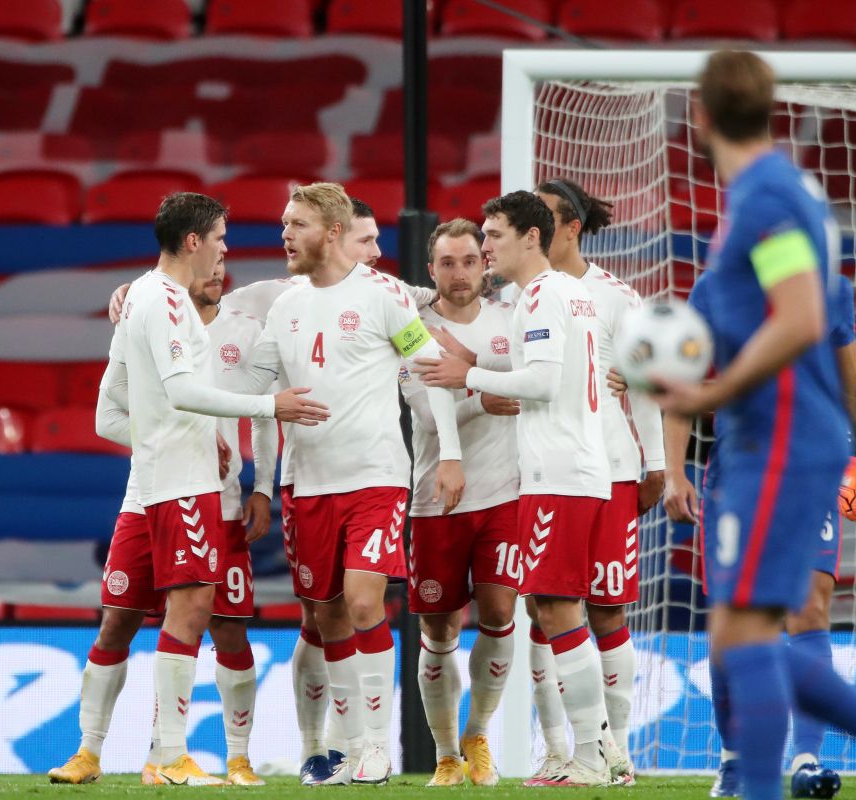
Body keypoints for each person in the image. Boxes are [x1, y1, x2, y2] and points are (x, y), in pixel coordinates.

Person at [648, 51, 856, 800]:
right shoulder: (781, 193)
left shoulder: (766, 197)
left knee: (744, 638)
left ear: (701, 115)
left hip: (780, 439)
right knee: (737, 638)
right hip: (771, 440)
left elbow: (803, 320)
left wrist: (706, 392)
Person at [88, 192, 328, 786]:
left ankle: (196, 755)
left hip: (199, 488)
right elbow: (180, 393)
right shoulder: (163, 302)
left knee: (213, 620)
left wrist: (249, 475)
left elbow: (115, 413)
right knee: (183, 611)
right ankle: (162, 755)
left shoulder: (159, 299)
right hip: (177, 488)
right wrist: (259, 407)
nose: (226, 251)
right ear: (194, 241)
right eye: (220, 238)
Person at [247, 182, 465, 785]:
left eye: (296, 224)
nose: (284, 234)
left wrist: (449, 454)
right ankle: (348, 749)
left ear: (333, 232)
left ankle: (376, 747)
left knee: (367, 602)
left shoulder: (382, 298)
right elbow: (255, 378)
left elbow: (429, 371)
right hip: (307, 483)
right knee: (328, 618)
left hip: (375, 477)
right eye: (284, 223)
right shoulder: (285, 304)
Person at [657, 270, 856, 798]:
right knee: (731, 625)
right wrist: (675, 472)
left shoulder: (826, 285)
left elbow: (853, 385)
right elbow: (683, 380)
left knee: (809, 608)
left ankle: (807, 761)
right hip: (738, 472)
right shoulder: (715, 286)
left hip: (811, 469)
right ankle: (734, 761)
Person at [49, 258, 273, 786]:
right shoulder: (147, 314)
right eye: (210, 257)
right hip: (146, 494)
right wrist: (175, 442)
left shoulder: (246, 327)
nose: (218, 269)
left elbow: (263, 414)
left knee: (228, 630)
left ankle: (234, 757)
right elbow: (110, 416)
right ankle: (89, 753)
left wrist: (263, 486)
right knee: (118, 620)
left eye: (223, 260)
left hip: (219, 501)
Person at [415, 191, 613, 788]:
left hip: (557, 472)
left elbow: (544, 384)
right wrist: (482, 370)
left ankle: (590, 755)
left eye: (494, 235)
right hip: (570, 468)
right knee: (554, 607)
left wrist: (466, 373)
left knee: (554, 607)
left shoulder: (543, 296)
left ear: (531, 235)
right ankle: (598, 750)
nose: (487, 245)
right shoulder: (570, 293)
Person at [528, 177, 665, 784]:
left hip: (609, 471)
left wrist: (656, 461)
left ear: (572, 226)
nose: (534, 229)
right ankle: (564, 748)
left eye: (546, 218)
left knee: (605, 610)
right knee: (546, 607)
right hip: (541, 472)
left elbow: (647, 384)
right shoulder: (523, 293)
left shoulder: (616, 297)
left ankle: (614, 749)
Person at [398, 218, 521, 787]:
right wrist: (483, 391)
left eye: (469, 260)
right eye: (447, 263)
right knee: (440, 629)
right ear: (431, 271)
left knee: (499, 613)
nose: (460, 273)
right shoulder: (411, 328)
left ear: (484, 263)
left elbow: (530, 387)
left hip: (503, 495)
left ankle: (478, 734)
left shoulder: (510, 321)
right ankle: (446, 752)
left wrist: (467, 377)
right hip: (435, 501)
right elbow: (425, 412)